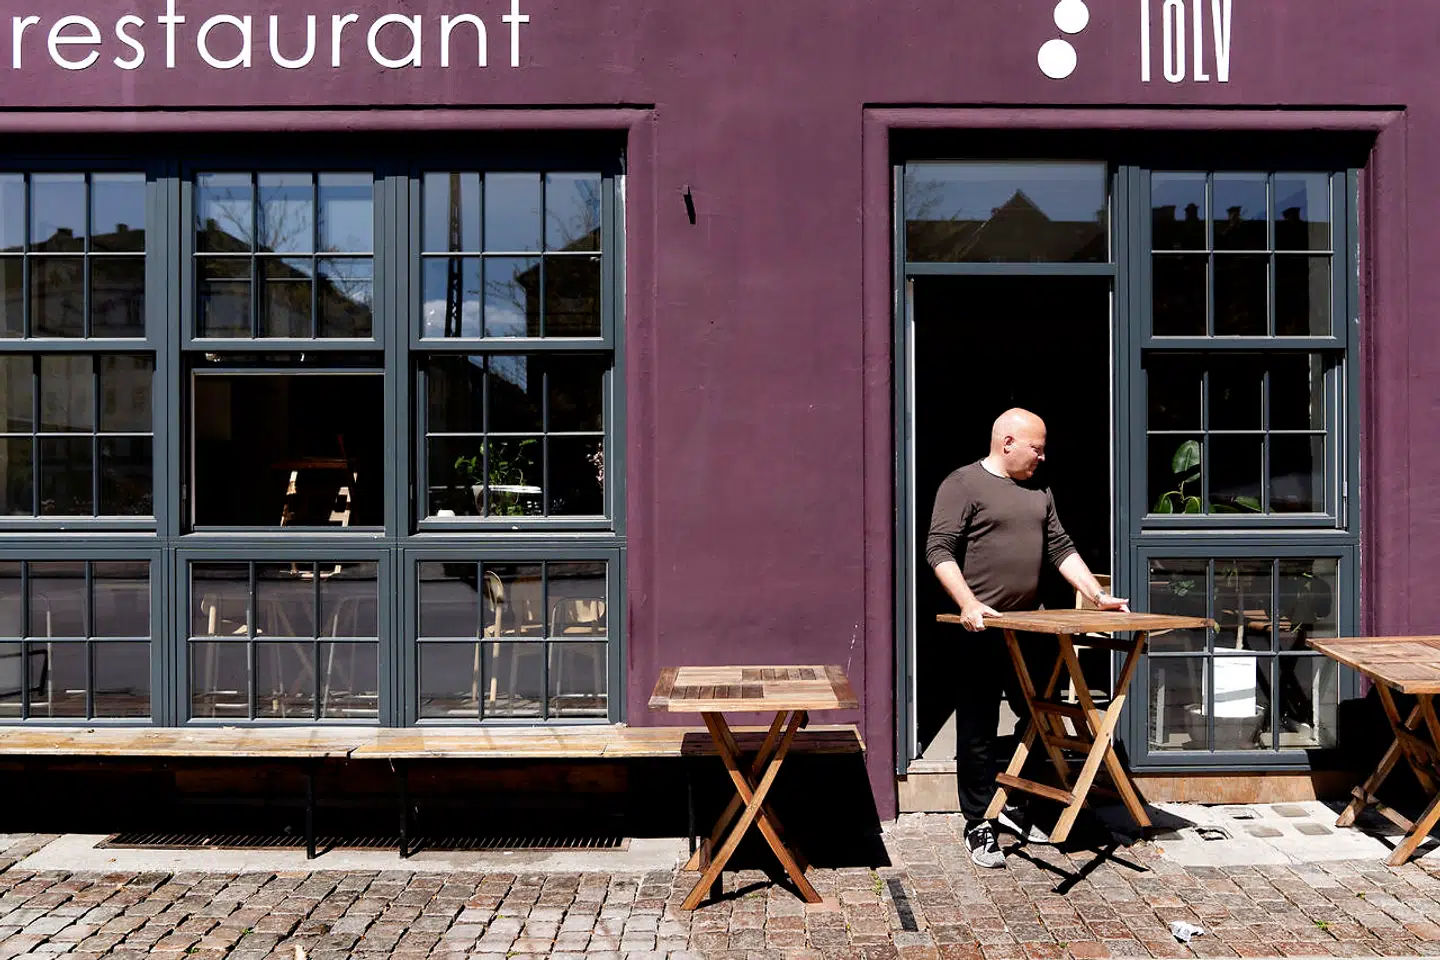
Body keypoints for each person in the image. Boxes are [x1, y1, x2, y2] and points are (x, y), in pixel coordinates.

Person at [926, 408, 1127, 868]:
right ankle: (979, 821)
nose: (1042, 455)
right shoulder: (963, 484)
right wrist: (968, 603)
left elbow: (1060, 546)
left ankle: (1020, 802)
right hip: (980, 630)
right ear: (1008, 442)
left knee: (1039, 718)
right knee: (976, 730)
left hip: (1029, 629)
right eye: (1036, 447)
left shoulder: (1040, 489)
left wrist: (1096, 595)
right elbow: (938, 549)